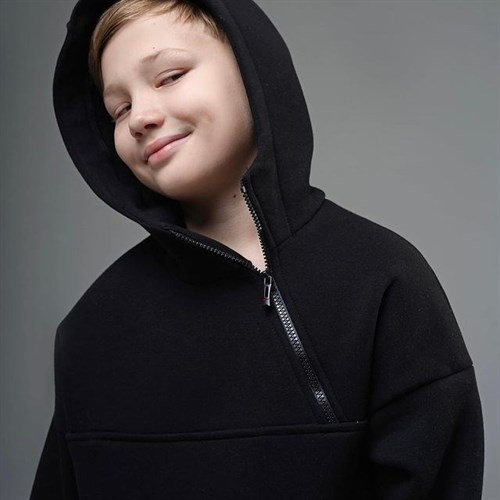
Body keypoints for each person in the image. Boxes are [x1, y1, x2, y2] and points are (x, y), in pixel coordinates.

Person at [30, 0, 484, 498]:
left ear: (252, 68)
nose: (140, 117)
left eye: (170, 76)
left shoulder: (383, 282)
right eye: (118, 109)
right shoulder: (92, 330)